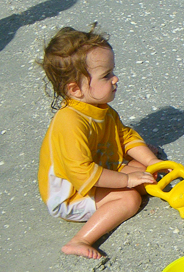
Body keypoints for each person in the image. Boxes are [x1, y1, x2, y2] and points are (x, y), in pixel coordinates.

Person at [38, 25, 159, 259]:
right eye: (106, 75)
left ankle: (137, 173)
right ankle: (80, 240)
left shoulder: (101, 108)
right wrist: (125, 179)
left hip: (98, 168)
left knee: (146, 172)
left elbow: (125, 137)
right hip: (71, 193)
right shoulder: (70, 121)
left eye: (112, 71)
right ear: (75, 89)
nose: (115, 78)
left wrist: (152, 161)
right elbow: (82, 172)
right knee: (130, 197)